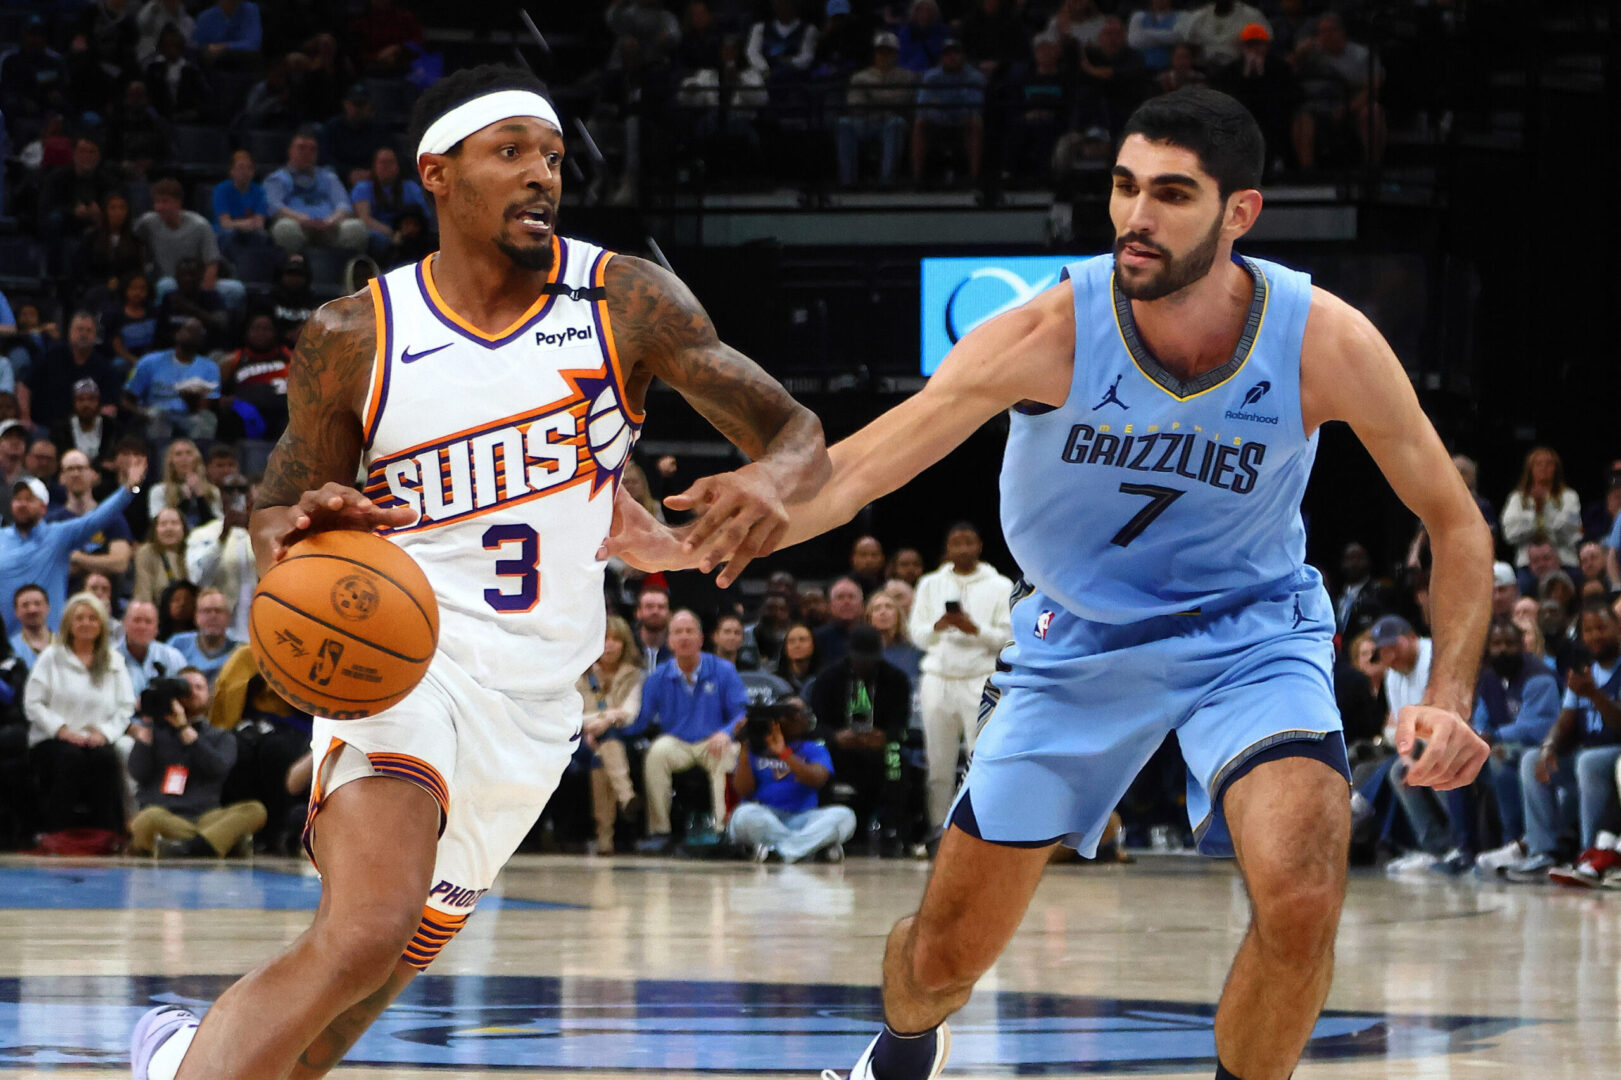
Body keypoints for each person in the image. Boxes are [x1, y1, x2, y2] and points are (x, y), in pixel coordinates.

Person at [609, 87, 1491, 1080]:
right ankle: (898, 1056)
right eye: (1123, 188)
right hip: (1076, 645)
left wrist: (1451, 698)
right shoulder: (1049, 329)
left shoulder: (1322, 339)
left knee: (1301, 897)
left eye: (1171, 194)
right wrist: (691, 552)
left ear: (1239, 213)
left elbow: (1454, 522)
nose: (1136, 218)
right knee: (938, 961)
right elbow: (857, 472)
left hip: (1251, 635)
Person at [129, 63, 827, 1076]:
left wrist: (774, 477)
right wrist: (297, 526)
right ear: (438, 174)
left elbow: (794, 429)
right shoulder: (354, 335)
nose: (541, 175)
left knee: (371, 981)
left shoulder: (624, 299)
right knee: (367, 929)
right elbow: (277, 503)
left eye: (549, 156)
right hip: (398, 661)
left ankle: (180, 1058)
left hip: (540, 696)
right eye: (510, 154)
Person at [1500, 600, 1621, 884]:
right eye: (1588, 630)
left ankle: (1590, 854)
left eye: (1601, 628)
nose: (1595, 635)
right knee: (1532, 760)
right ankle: (1542, 851)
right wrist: (1549, 747)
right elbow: (1565, 721)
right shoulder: (1583, 672)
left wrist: (1595, 696)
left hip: (1614, 754)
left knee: (1587, 762)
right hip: (1588, 755)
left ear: (1618, 629)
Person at [909, 522, 1012, 829]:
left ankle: (979, 827)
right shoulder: (930, 583)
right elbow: (916, 634)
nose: (963, 549)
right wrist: (938, 626)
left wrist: (974, 629)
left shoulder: (1000, 585)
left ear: (979, 546)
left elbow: (1008, 638)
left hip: (979, 678)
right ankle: (938, 829)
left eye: (969, 542)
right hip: (937, 678)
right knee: (937, 762)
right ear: (947, 549)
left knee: (979, 757)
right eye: (956, 543)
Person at [634, 610, 750, 852]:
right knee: (656, 753)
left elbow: (741, 713)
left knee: (728, 751)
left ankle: (724, 830)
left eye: (690, 631)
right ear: (670, 641)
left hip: (713, 741)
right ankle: (660, 831)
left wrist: (726, 732)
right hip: (678, 743)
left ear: (701, 638)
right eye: (678, 632)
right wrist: (613, 723)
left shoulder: (723, 671)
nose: (684, 637)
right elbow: (640, 719)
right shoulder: (657, 677)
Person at [24, 592, 134, 835]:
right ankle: (56, 832)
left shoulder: (114, 660)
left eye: (93, 618)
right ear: (69, 624)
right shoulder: (51, 657)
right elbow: (33, 703)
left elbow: (126, 707)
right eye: (79, 618)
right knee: (70, 758)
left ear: (101, 624)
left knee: (104, 758)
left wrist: (105, 733)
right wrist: (62, 730)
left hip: (97, 738)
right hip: (52, 738)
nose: (86, 623)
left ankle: (107, 834)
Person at [128, 667, 267, 857]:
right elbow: (138, 772)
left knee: (255, 810)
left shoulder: (221, 736)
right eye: (186, 687)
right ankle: (214, 843)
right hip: (164, 815)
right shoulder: (154, 732)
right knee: (144, 820)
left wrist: (184, 728)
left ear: (208, 696)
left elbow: (218, 769)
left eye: (199, 687)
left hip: (208, 817)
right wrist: (146, 727)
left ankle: (182, 848)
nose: (192, 692)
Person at [1, 461, 145, 639]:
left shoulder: (57, 536)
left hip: (50, 642)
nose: (22, 504)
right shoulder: (2, 537)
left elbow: (97, 518)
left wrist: (129, 489)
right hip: (4, 643)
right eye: (18, 499)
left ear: (43, 507)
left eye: (29, 499)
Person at [807, 624, 914, 853]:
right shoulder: (828, 678)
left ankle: (892, 828)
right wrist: (836, 736)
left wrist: (884, 737)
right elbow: (815, 726)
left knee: (896, 758)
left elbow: (901, 726)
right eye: (859, 659)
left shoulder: (897, 680)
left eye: (870, 659)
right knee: (819, 752)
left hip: (879, 748)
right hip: (837, 747)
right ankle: (821, 826)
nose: (864, 664)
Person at [1468, 618, 1560, 871]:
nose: (1502, 649)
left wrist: (1495, 736)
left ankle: (1517, 840)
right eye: (1496, 644)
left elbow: (1537, 727)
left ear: (1522, 645)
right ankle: (1462, 847)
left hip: (1540, 748)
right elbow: (1480, 721)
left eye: (1509, 643)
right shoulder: (1489, 678)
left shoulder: (1539, 676)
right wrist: (1480, 736)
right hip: (1505, 746)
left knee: (1501, 759)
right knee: (1455, 764)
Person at [728, 695, 855, 863]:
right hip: (766, 817)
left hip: (803, 819)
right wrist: (744, 748)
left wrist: (784, 754)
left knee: (844, 816)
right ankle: (806, 848)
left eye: (800, 713)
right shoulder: (756, 746)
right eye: (790, 713)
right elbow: (743, 790)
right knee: (743, 815)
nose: (798, 717)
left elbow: (817, 779)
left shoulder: (814, 748)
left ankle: (781, 852)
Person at [576, 615, 646, 855]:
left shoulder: (633, 674)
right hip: (581, 738)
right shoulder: (581, 673)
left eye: (616, 639)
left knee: (602, 754)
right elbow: (574, 714)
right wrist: (601, 721)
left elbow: (631, 712)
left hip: (616, 738)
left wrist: (604, 721)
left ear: (625, 644)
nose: (610, 645)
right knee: (606, 742)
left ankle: (604, 837)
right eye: (605, 639)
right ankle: (626, 796)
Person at [263, 127, 370, 256]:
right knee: (284, 228)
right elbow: (274, 207)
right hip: (297, 226)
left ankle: (346, 272)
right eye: (301, 148)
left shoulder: (328, 177)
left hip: (329, 227)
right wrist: (301, 219)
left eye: (312, 149)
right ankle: (295, 270)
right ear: (290, 151)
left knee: (356, 227)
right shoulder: (276, 179)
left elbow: (344, 206)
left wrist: (331, 221)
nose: (307, 153)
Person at [837, 33, 918, 189]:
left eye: (888, 52)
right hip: (864, 121)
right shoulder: (860, 77)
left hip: (889, 122)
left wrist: (872, 96)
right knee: (843, 123)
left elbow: (903, 100)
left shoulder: (907, 77)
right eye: (880, 52)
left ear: (896, 54)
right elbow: (855, 104)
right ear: (874, 53)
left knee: (896, 123)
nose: (884, 56)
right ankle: (848, 183)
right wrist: (889, 99)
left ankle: (886, 182)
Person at [49, 449, 135, 590]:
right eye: (70, 469)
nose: (76, 474)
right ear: (61, 477)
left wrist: (77, 558)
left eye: (81, 468)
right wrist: (100, 563)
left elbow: (120, 563)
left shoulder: (112, 517)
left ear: (94, 475)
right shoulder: (52, 521)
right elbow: (48, 566)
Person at [184, 474, 256, 639]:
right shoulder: (202, 534)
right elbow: (198, 577)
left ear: (251, 495)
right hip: (219, 632)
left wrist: (252, 529)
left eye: (242, 490)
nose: (236, 495)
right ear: (220, 495)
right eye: (229, 490)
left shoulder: (264, 534)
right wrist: (223, 537)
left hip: (259, 627)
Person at [1502, 446, 1582, 578]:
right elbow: (1510, 534)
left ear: (1556, 468)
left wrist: (1543, 510)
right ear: (1530, 469)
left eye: (1549, 464)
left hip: (1564, 561)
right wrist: (1536, 512)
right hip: (1528, 564)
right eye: (1538, 464)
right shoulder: (1517, 498)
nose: (1543, 467)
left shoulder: (1570, 497)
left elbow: (1573, 530)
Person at [165, 587, 241, 685]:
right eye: (206, 611)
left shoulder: (239, 652)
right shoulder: (177, 644)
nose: (213, 616)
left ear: (228, 617)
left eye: (218, 611)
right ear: (196, 617)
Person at [119, 598, 189, 699]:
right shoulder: (110, 658)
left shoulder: (173, 657)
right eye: (137, 620)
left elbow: (185, 695)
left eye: (148, 622)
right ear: (124, 624)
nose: (142, 627)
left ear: (157, 628)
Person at [146, 439, 222, 530]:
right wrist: (185, 500)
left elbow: (216, 525)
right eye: (178, 454)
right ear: (171, 461)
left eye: (189, 453)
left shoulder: (212, 491)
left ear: (197, 459)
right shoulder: (159, 490)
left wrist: (200, 497)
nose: (184, 458)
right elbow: (158, 524)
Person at [212, 149, 271, 260]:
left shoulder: (259, 191)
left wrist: (248, 225)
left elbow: (259, 222)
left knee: (262, 236)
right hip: (225, 232)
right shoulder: (221, 190)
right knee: (229, 234)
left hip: (250, 231)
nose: (245, 171)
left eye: (249, 168)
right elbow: (225, 222)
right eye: (241, 167)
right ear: (232, 171)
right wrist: (243, 224)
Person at [866, 591, 921, 686]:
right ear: (869, 619)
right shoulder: (862, 654)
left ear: (898, 615)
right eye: (877, 608)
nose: (883, 612)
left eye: (889, 607)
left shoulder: (915, 652)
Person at [815, 577, 865, 667]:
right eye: (840, 597)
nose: (846, 602)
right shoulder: (816, 639)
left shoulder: (874, 636)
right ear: (830, 606)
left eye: (851, 597)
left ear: (861, 604)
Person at [9, 584, 52, 669]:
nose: (32, 609)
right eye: (25, 605)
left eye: (37, 603)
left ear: (48, 608)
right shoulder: (9, 650)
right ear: (16, 612)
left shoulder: (65, 645)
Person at [633, 585, 674, 669]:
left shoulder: (677, 647)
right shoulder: (628, 645)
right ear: (638, 612)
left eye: (661, 607)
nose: (655, 611)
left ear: (669, 613)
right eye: (649, 607)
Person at [776, 622, 820, 694]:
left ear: (813, 644)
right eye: (791, 641)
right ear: (785, 648)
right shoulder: (776, 680)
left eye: (803, 640)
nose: (797, 645)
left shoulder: (823, 678)